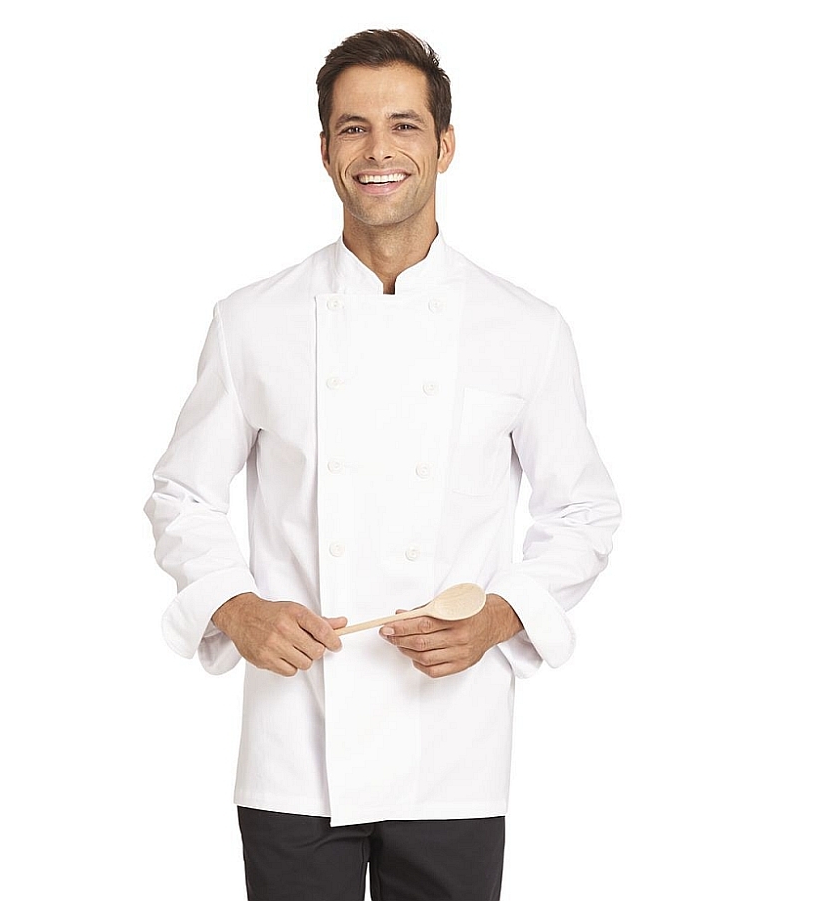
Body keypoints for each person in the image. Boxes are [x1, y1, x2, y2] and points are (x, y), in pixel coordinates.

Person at [144, 28, 621, 901]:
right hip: (296, 739)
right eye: (353, 128)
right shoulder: (251, 320)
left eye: (404, 125)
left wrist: (501, 615)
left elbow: (583, 511)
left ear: (445, 144)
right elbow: (182, 491)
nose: (378, 151)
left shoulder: (527, 328)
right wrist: (235, 605)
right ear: (325, 150)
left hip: (454, 745)